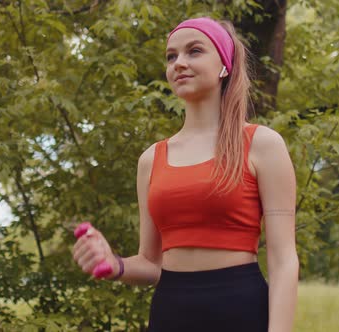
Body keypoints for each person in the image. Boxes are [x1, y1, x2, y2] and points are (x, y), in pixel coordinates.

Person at [72, 17, 298, 332]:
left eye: (194, 51)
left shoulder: (262, 145)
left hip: (241, 311)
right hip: (170, 312)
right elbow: (151, 263)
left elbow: (284, 260)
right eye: (171, 56)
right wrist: (115, 264)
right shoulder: (151, 159)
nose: (179, 63)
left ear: (224, 65)